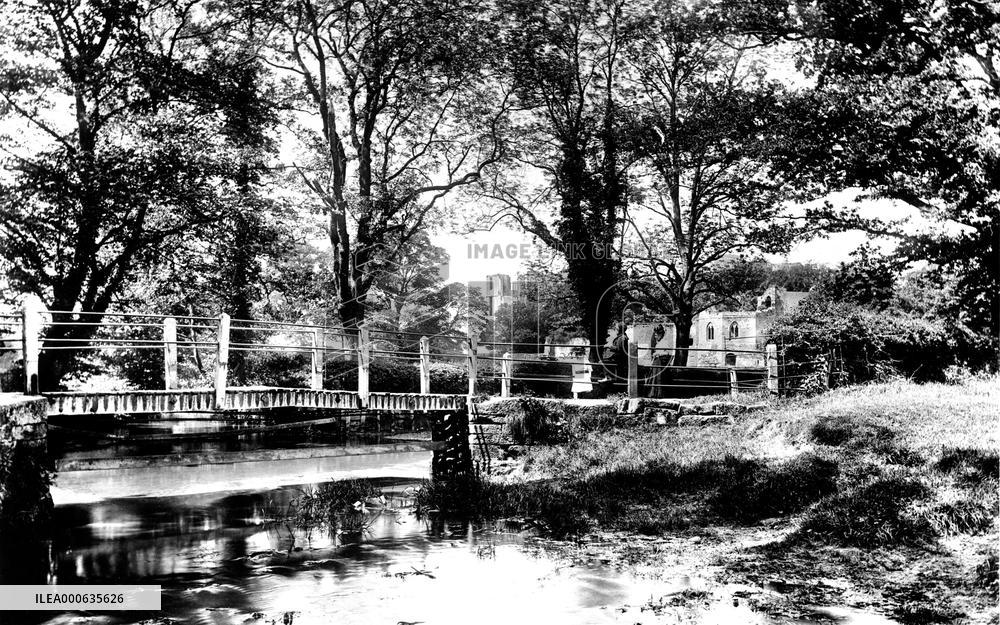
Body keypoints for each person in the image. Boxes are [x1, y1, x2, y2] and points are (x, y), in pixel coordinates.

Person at [647, 324, 672, 398]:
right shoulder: (659, 343)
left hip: (660, 363)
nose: (655, 337)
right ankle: (653, 393)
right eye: (655, 335)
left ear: (660, 334)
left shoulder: (664, 342)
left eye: (656, 335)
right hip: (656, 362)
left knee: (659, 378)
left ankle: (659, 393)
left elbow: (668, 353)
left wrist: (658, 354)